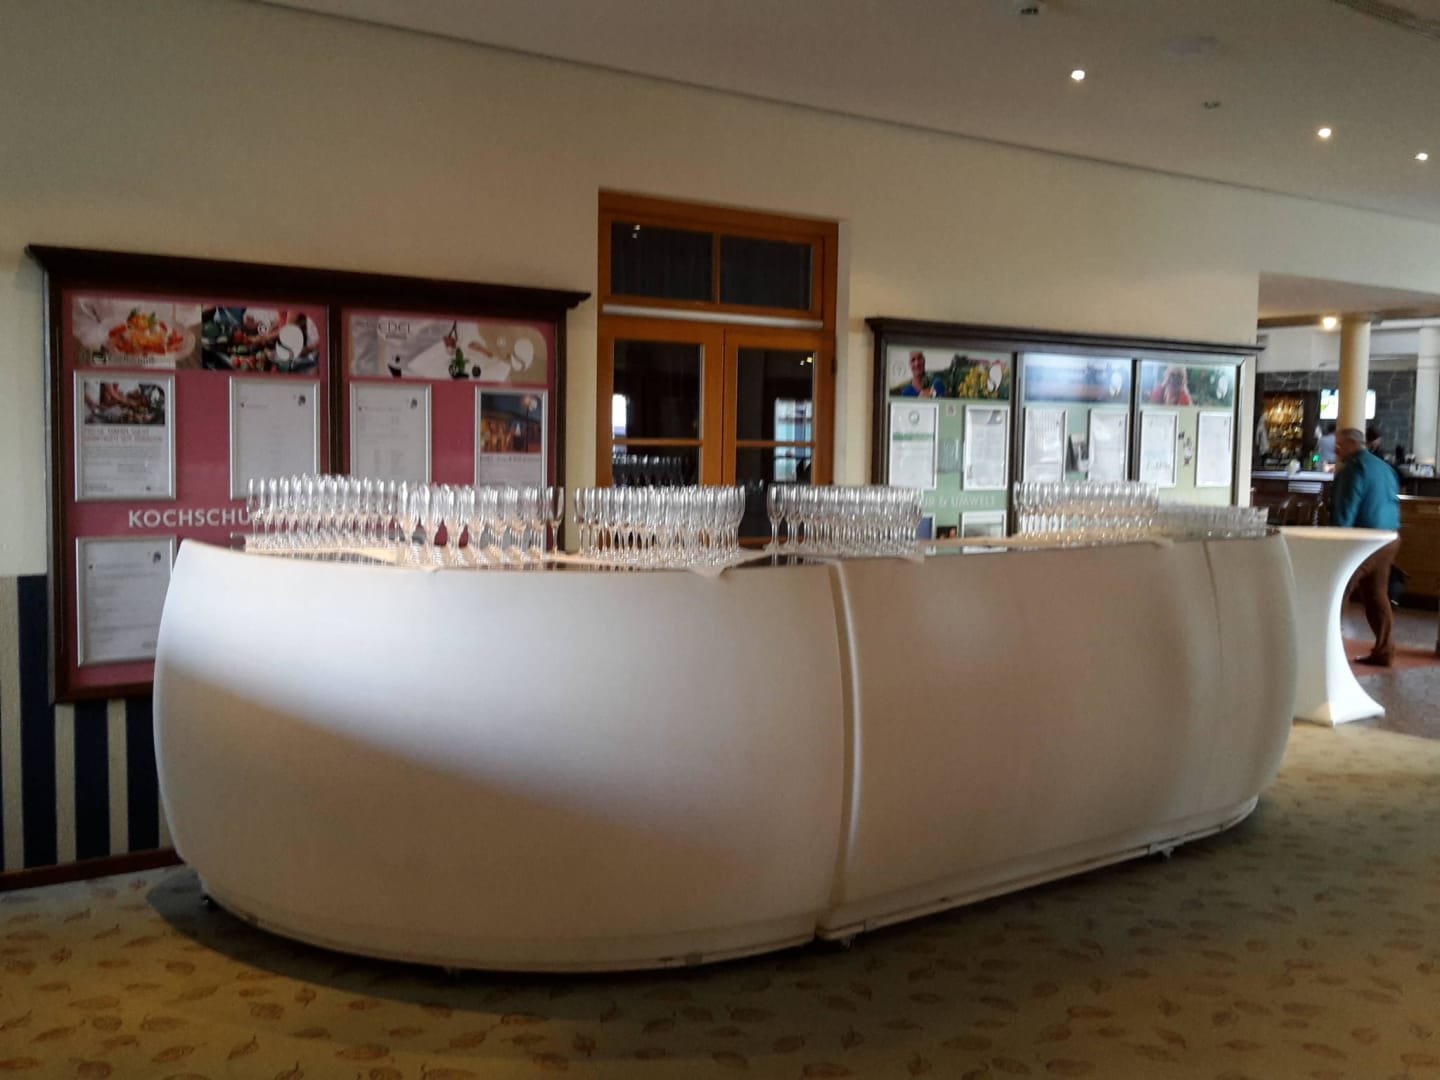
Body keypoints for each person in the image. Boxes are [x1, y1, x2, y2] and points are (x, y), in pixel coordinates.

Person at [1332, 427, 1401, 666]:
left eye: (1339, 445)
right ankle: (1385, 651)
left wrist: (1335, 540)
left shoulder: (1354, 468)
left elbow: (1346, 507)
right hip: (1389, 537)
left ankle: (1329, 648)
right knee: (1376, 595)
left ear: (1352, 444)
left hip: (1363, 539)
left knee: (1338, 590)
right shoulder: (1384, 467)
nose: (1336, 450)